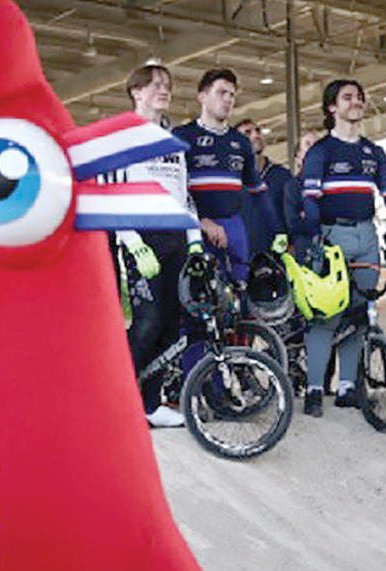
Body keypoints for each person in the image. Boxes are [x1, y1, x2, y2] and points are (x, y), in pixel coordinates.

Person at [298, 80, 386, 416]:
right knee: (326, 315)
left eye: (360, 97)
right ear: (332, 107)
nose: (356, 102)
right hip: (332, 235)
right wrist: (316, 238)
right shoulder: (321, 151)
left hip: (366, 236)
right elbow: (310, 199)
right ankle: (314, 389)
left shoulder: (373, 152)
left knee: (360, 314)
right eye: (347, 98)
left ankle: (347, 387)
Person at [105, 64, 203, 428]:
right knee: (148, 323)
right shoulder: (123, 137)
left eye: (168, 85)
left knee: (172, 325)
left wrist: (194, 242)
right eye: (156, 84)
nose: (164, 90)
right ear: (136, 92)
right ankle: (115, 402)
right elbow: (111, 194)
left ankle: (150, 403)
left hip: (176, 238)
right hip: (142, 238)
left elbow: (185, 196)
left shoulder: (173, 141)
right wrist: (131, 242)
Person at [173, 69, 280, 283]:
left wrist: (278, 231)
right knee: (201, 291)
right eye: (221, 92)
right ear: (202, 97)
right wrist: (200, 222)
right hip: (195, 228)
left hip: (233, 227)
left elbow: (259, 192)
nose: (228, 99)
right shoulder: (182, 136)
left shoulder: (240, 142)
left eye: (232, 95)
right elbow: (173, 191)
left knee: (241, 287)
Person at [236, 118, 292, 255]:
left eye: (257, 131)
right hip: (241, 256)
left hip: (278, 257)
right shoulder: (230, 181)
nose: (256, 135)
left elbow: (293, 214)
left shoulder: (282, 176)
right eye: (247, 133)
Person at [284, 129, 323, 261]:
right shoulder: (293, 187)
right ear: (298, 157)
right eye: (308, 144)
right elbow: (294, 223)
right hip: (307, 250)